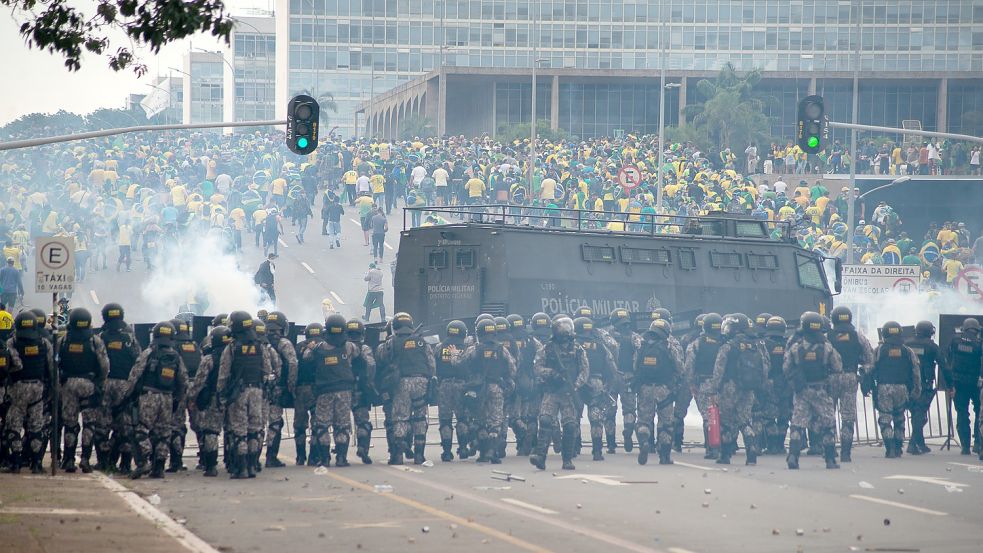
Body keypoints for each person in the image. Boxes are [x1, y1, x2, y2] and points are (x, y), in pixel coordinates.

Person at [124, 322, 189, 479]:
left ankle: (144, 460)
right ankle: (159, 467)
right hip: (167, 398)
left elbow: (135, 375)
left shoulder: (149, 353)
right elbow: (183, 381)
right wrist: (177, 399)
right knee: (163, 433)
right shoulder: (176, 356)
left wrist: (127, 396)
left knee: (140, 429)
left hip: (149, 396)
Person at [304, 314, 370, 467]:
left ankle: (325, 458)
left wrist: (311, 346)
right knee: (342, 425)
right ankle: (341, 458)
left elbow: (306, 358)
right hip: (345, 391)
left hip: (324, 391)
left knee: (322, 425)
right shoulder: (348, 346)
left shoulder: (319, 348)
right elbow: (359, 355)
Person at [783, 312, 842, 470]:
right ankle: (830, 459)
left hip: (802, 391)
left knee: (798, 424)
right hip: (821, 390)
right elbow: (837, 366)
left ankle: (793, 456)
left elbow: (786, 367)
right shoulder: (827, 347)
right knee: (827, 423)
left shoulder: (796, 347)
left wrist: (795, 382)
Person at [452, 318, 516, 464]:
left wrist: (454, 354)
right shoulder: (502, 350)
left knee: (480, 421)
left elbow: (458, 363)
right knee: (495, 421)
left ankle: (482, 453)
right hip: (496, 387)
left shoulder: (473, 349)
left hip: (477, 389)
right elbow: (512, 368)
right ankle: (492, 452)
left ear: (478, 332)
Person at [217, 311, 273, 479]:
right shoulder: (260, 346)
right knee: (254, 430)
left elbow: (224, 373)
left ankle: (241, 468)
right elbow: (268, 371)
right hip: (257, 391)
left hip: (238, 392)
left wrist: (221, 394)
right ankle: (252, 466)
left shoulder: (232, 347)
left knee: (239, 430)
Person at [708, 314, 769, 465]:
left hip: (730, 387)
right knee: (744, 420)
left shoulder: (728, 346)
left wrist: (713, 390)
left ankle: (725, 455)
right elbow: (765, 367)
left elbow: (718, 370)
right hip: (749, 388)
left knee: (727, 421)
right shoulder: (756, 345)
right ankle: (752, 449)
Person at [529, 317, 589, 471]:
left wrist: (575, 385)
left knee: (570, 426)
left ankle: (567, 459)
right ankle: (540, 457)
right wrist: (551, 373)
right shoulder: (547, 349)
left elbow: (584, 370)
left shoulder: (578, 349)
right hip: (552, 391)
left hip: (569, 393)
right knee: (545, 420)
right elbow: (537, 368)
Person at [376, 312, 436, 465]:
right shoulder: (422, 342)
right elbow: (431, 364)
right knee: (420, 418)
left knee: (401, 418)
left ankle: (397, 454)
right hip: (421, 382)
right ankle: (419, 455)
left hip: (401, 382)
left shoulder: (390, 343)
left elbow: (381, 358)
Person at [56, 308, 110, 473]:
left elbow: (56, 364)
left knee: (70, 423)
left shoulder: (63, 341)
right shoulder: (95, 341)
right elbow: (104, 365)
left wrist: (60, 383)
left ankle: (69, 459)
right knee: (89, 423)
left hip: (68, 385)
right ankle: (86, 459)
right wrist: (99, 382)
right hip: (89, 384)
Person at [2, 312, 53, 474]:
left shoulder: (12, 342)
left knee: (14, 427)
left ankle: (16, 462)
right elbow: (51, 367)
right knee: (36, 427)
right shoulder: (44, 343)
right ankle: (37, 463)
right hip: (38, 388)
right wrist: (51, 388)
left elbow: (13, 365)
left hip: (17, 389)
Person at [863, 321, 921, 458]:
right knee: (899, 417)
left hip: (884, 388)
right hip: (902, 388)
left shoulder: (879, 350)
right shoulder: (908, 351)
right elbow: (916, 371)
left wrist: (866, 385)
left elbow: (870, 368)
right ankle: (899, 446)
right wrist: (916, 390)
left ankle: (890, 448)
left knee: (885, 418)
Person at [633, 318, 684, 465]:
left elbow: (635, 366)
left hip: (645, 389)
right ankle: (665, 457)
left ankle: (644, 442)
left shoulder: (642, 346)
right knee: (665, 423)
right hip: (664, 390)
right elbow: (680, 368)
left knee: (643, 420)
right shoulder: (669, 347)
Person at [98, 302, 142, 474]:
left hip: (106, 383)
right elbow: (138, 361)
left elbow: (99, 362)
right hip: (125, 385)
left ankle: (104, 462)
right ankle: (125, 464)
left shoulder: (101, 337)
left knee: (103, 425)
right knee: (125, 426)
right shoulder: (130, 338)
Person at [826, 306, 874, 462]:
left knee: (828, 414)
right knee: (848, 415)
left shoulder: (827, 337)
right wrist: (863, 372)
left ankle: (830, 450)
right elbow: (870, 358)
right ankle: (846, 452)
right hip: (850, 377)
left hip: (830, 378)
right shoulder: (858, 336)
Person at [574, 316, 618, 461]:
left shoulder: (572, 345)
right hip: (596, 382)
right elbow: (611, 366)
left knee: (574, 416)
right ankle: (597, 451)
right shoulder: (599, 344)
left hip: (577, 384)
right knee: (596, 418)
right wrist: (608, 384)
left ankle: (574, 448)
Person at [190, 326, 232, 477]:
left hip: (214, 398)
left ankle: (211, 466)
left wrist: (192, 398)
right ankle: (235, 464)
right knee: (234, 431)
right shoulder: (236, 355)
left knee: (211, 432)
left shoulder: (209, 358)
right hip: (233, 398)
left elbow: (199, 381)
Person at [684, 312, 724, 459]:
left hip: (704, 384)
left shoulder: (697, 343)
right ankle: (726, 447)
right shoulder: (725, 342)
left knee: (709, 417)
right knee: (722, 416)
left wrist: (691, 384)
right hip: (722, 386)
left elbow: (689, 366)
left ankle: (711, 448)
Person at [263, 311, 297, 468]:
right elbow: (293, 364)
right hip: (277, 389)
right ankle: (271, 457)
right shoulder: (284, 343)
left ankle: (249, 458)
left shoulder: (260, 341)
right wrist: (291, 386)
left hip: (260, 389)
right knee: (275, 423)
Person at [945, 317, 982, 456]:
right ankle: (978, 444)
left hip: (958, 382)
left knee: (962, 413)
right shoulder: (979, 343)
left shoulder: (955, 341)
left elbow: (947, 358)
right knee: (979, 413)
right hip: (975, 383)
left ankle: (965, 447)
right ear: (977, 330)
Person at [904, 321, 942, 455]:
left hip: (908, 383)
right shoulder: (932, 346)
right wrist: (949, 384)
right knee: (920, 414)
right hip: (924, 384)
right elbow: (943, 364)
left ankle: (919, 443)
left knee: (916, 413)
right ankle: (913, 444)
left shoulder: (907, 343)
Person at [436, 320, 471, 461]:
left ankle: (446, 452)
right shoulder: (468, 348)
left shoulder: (439, 347)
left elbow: (433, 365)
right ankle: (463, 448)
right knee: (462, 418)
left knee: (445, 420)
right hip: (462, 385)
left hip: (444, 385)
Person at [607, 308, 641, 453]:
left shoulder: (607, 337)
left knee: (609, 411)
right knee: (629, 410)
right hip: (628, 377)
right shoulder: (635, 337)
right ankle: (628, 429)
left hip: (610, 378)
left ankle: (610, 445)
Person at [291, 323, 323, 465]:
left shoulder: (298, 347)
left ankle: (300, 456)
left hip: (301, 388)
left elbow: (293, 366)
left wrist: (290, 387)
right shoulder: (324, 346)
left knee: (299, 424)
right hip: (318, 389)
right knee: (316, 423)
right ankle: (314, 456)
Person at [345, 318, 377, 464]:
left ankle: (340, 456)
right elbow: (371, 365)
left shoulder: (340, 347)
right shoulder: (364, 349)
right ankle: (363, 448)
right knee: (363, 422)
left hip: (343, 390)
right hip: (360, 390)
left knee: (342, 424)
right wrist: (368, 382)